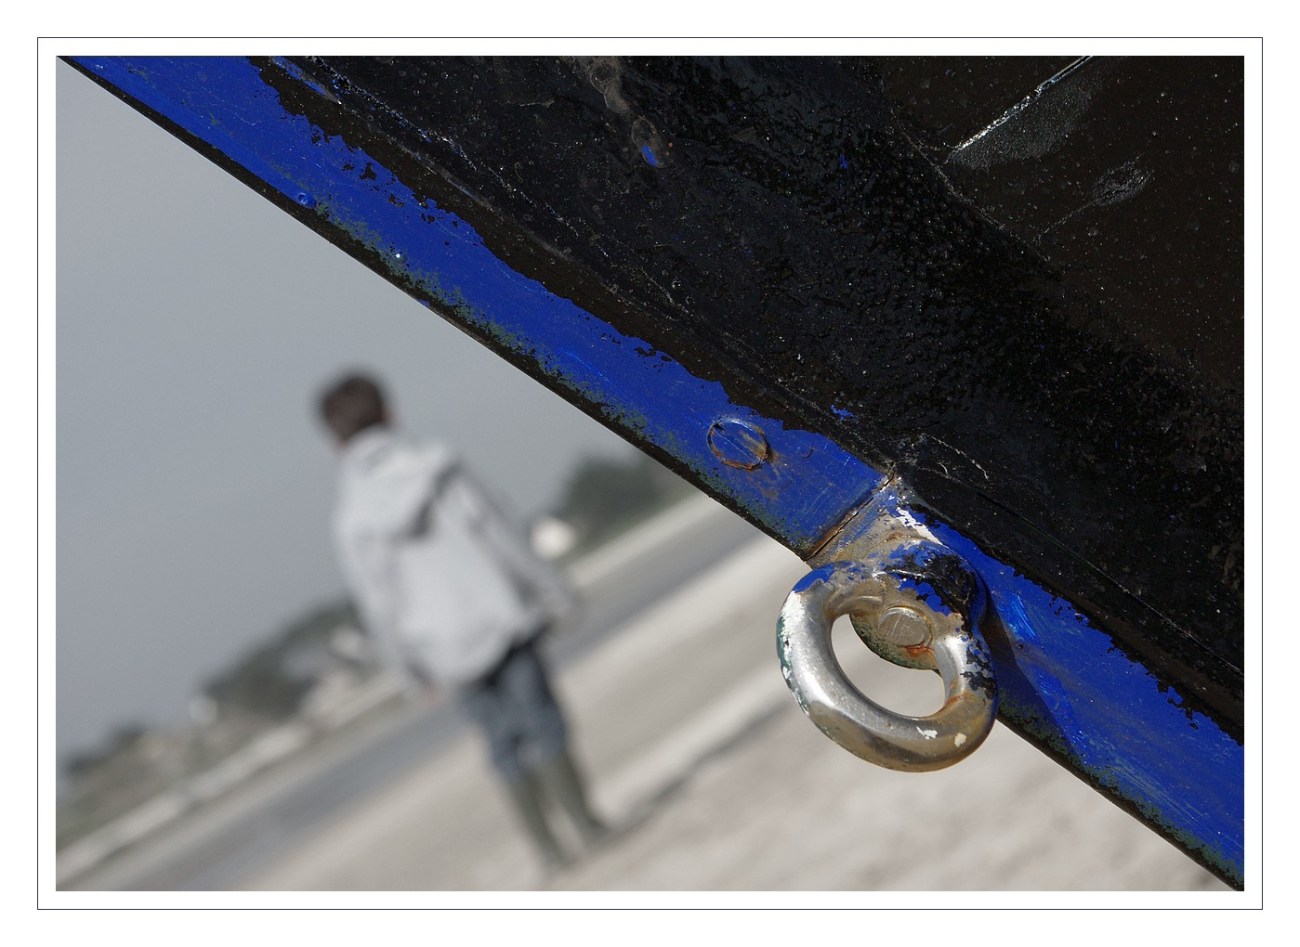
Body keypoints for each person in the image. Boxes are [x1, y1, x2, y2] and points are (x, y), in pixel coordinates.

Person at [317, 371, 607, 872]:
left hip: (442, 647)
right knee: (543, 722)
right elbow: (502, 533)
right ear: (390, 413)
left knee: (501, 744)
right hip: (502, 620)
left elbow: (378, 603)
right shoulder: (440, 466)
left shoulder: (350, 517)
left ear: (335, 443)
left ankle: (549, 853)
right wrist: (554, 591)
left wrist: (407, 668)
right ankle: (587, 827)